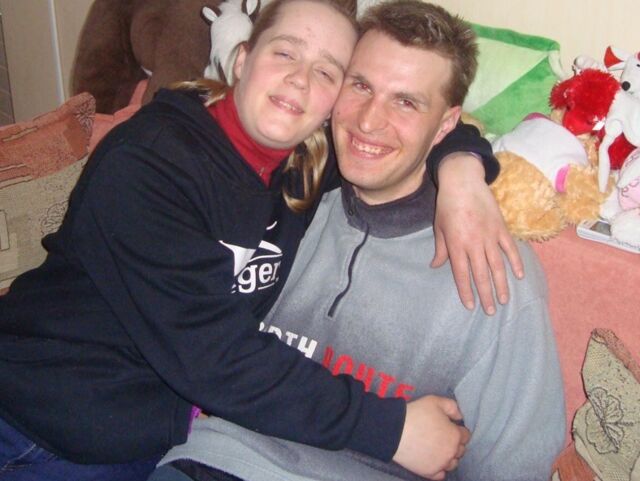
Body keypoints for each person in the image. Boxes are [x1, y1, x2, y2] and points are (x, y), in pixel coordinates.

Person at [0, 0, 516, 480]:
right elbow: (214, 357)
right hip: (38, 429)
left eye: (327, 72)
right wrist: (392, 430)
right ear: (242, 59)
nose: (299, 79)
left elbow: (411, 126)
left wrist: (462, 170)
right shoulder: (149, 162)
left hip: (145, 439)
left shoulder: (305, 162)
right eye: (285, 52)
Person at [150, 2, 566, 481]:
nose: (369, 121)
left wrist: (463, 167)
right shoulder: (285, 190)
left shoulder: (493, 266)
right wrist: (462, 164)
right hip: (210, 461)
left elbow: (514, 466)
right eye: (361, 86)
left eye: (406, 102)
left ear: (446, 126)